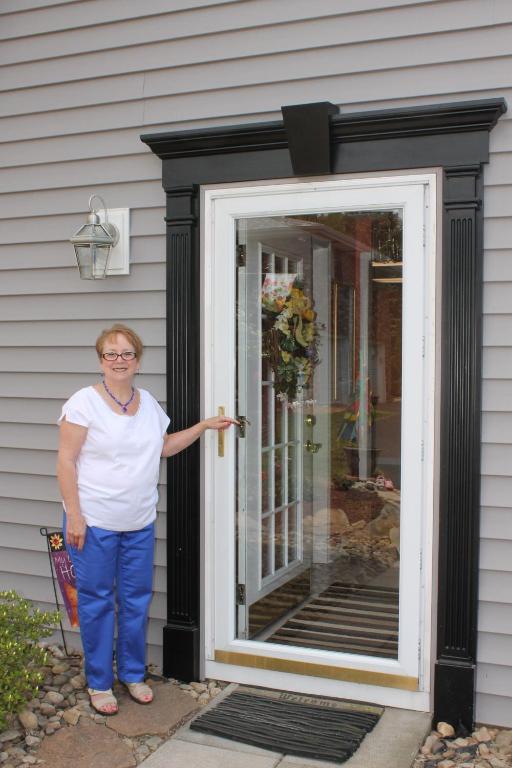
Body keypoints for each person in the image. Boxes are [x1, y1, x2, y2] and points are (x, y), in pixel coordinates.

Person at [56, 323, 236, 716]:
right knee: (98, 602)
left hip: (138, 523)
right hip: (95, 523)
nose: (119, 361)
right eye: (111, 354)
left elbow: (164, 447)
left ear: (138, 360)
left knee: (136, 601)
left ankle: (133, 675)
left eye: (127, 354)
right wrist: (75, 516)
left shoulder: (148, 402)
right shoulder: (83, 403)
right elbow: (66, 462)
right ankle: (100, 682)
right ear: (101, 360)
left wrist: (204, 427)